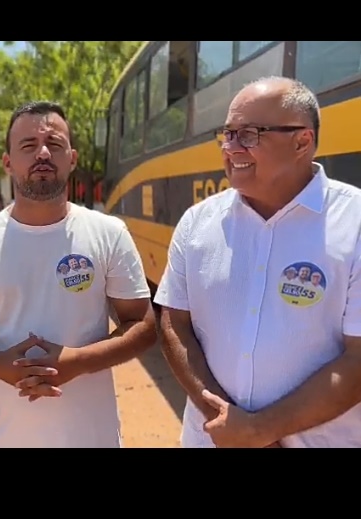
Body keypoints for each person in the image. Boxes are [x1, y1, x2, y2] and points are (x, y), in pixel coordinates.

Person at [0, 101, 158, 448]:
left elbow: (142, 324)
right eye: (28, 146)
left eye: (55, 144)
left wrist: (78, 361)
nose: (43, 153)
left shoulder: (108, 233)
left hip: (92, 437)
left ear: (73, 158)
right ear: (7, 162)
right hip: (5, 436)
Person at [154, 76, 361, 448]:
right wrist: (220, 416)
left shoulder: (356, 223)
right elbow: (174, 322)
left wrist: (260, 430)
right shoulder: (197, 223)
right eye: (227, 134)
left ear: (302, 141)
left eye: (248, 134)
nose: (231, 148)